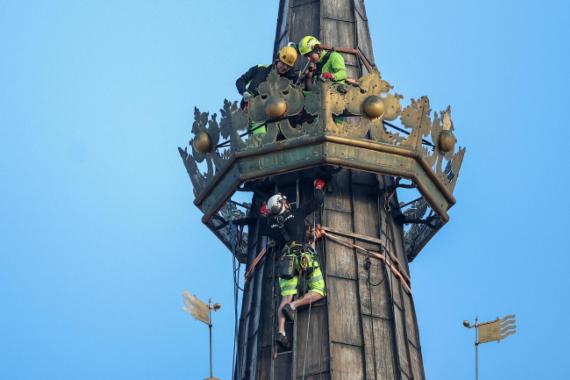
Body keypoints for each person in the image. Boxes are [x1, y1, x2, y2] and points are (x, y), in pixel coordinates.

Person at [260, 179, 327, 350]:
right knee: (319, 290)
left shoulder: (274, 226)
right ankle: (293, 306)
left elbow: (262, 228)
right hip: (304, 257)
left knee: (286, 295)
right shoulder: (296, 213)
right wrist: (318, 186)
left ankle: (281, 332)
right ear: (283, 203)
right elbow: (317, 201)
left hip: (286, 261)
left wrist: (263, 214)